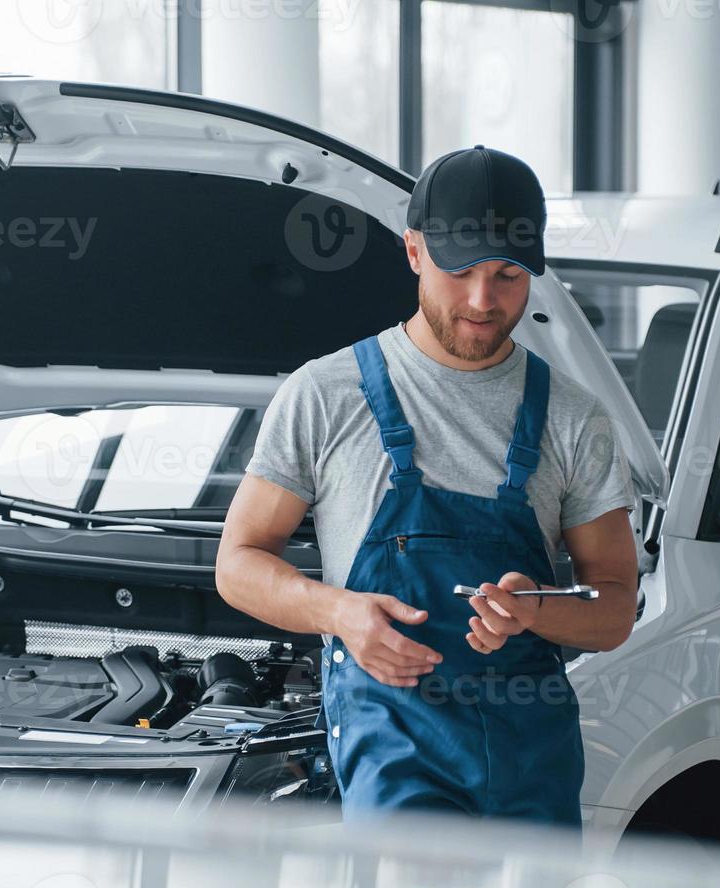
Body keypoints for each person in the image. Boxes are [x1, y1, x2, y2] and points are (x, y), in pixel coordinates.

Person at [215, 145, 639, 826]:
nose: (482, 300)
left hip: (532, 763)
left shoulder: (573, 416)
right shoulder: (325, 395)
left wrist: (536, 609)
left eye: (508, 276)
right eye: (461, 269)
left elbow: (614, 608)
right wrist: (339, 614)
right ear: (413, 251)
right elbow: (238, 565)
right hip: (393, 755)